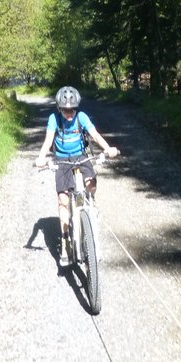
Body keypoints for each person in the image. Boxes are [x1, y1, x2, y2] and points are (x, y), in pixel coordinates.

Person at [35, 85, 119, 266]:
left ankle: (89, 204)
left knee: (92, 183)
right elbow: (48, 140)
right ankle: (66, 241)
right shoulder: (54, 119)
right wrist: (41, 157)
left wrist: (108, 148)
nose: (69, 113)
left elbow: (95, 135)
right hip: (62, 159)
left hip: (81, 156)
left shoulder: (81, 117)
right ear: (59, 108)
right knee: (63, 199)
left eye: (72, 109)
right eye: (65, 110)